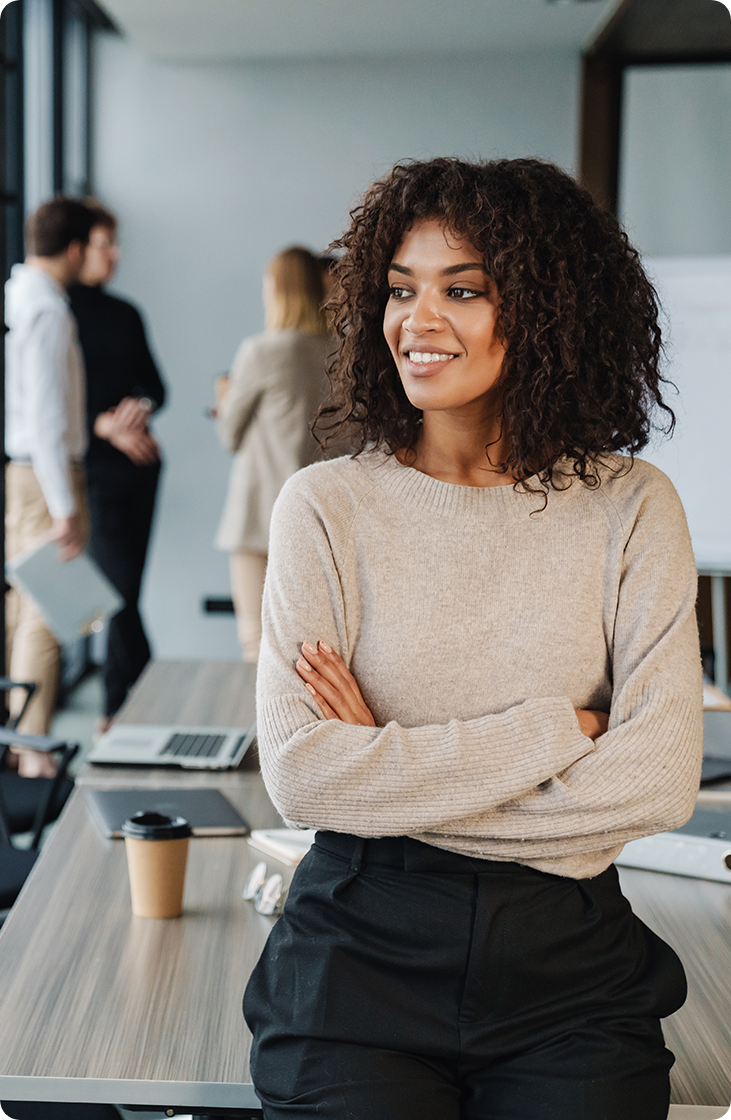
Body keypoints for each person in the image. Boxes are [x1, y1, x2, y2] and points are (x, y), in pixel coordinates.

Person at [243, 158, 704, 1120]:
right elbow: (303, 779)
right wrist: (558, 732)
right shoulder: (324, 506)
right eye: (400, 291)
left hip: (569, 975)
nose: (418, 321)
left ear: (544, 311)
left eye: (462, 291)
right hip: (356, 961)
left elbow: (658, 780)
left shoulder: (630, 506)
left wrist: (385, 768)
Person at [4, 197, 94, 776]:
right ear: (75, 248)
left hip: (21, 473)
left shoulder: (18, 295)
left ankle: (20, 743)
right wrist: (64, 505)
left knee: (23, 603)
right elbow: (47, 417)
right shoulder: (49, 310)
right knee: (49, 610)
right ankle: (32, 753)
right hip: (46, 475)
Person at [68, 203, 165, 731]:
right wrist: (103, 426)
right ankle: (124, 704)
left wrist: (140, 408)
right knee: (118, 594)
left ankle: (131, 705)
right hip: (96, 471)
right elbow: (47, 403)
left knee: (127, 592)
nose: (115, 255)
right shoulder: (56, 314)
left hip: (142, 469)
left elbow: (157, 386)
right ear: (77, 249)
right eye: (105, 244)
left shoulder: (125, 313)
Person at [214, 246, 330, 662]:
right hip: (318, 514)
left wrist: (225, 401)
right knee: (308, 647)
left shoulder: (262, 351)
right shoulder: (341, 351)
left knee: (255, 641)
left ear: (279, 289)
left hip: (259, 514)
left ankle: (262, 729)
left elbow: (231, 435)